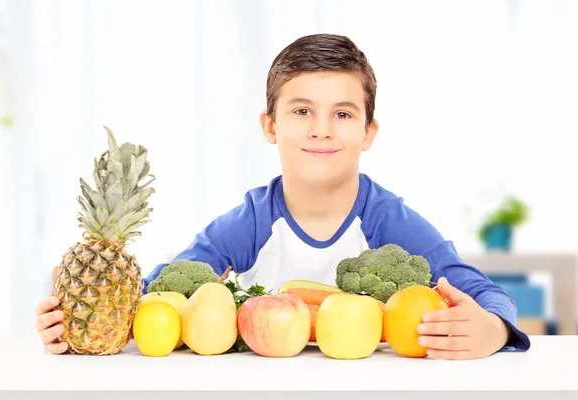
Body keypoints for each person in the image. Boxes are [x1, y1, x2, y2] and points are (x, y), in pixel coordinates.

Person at [35, 33, 531, 359]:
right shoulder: (249, 223)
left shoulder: (391, 222)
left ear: (369, 131)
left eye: (342, 113)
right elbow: (157, 297)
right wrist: (79, 321)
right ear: (270, 126)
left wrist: (492, 330)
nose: (320, 130)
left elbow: (487, 295)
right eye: (300, 111)